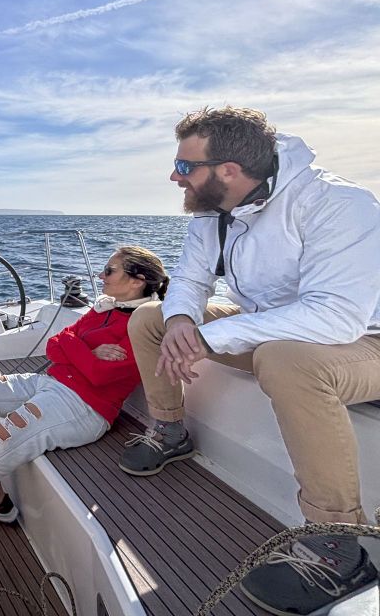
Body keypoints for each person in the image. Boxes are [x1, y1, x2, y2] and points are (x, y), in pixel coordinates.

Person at [117, 107, 380, 615]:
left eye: (184, 165)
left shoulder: (338, 203)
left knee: (285, 361)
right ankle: (171, 431)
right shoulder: (215, 213)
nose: (174, 176)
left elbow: (337, 318)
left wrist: (216, 332)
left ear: (229, 171)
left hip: (365, 340)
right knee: (149, 317)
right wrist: (179, 324)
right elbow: (191, 281)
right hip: (271, 323)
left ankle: (337, 546)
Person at [0, 247, 169, 529]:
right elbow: (53, 345)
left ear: (136, 281)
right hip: (50, 381)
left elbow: (99, 376)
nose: (100, 275)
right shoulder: (104, 307)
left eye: (110, 271)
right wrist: (89, 349)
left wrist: (77, 347)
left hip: (82, 407)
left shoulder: (143, 325)